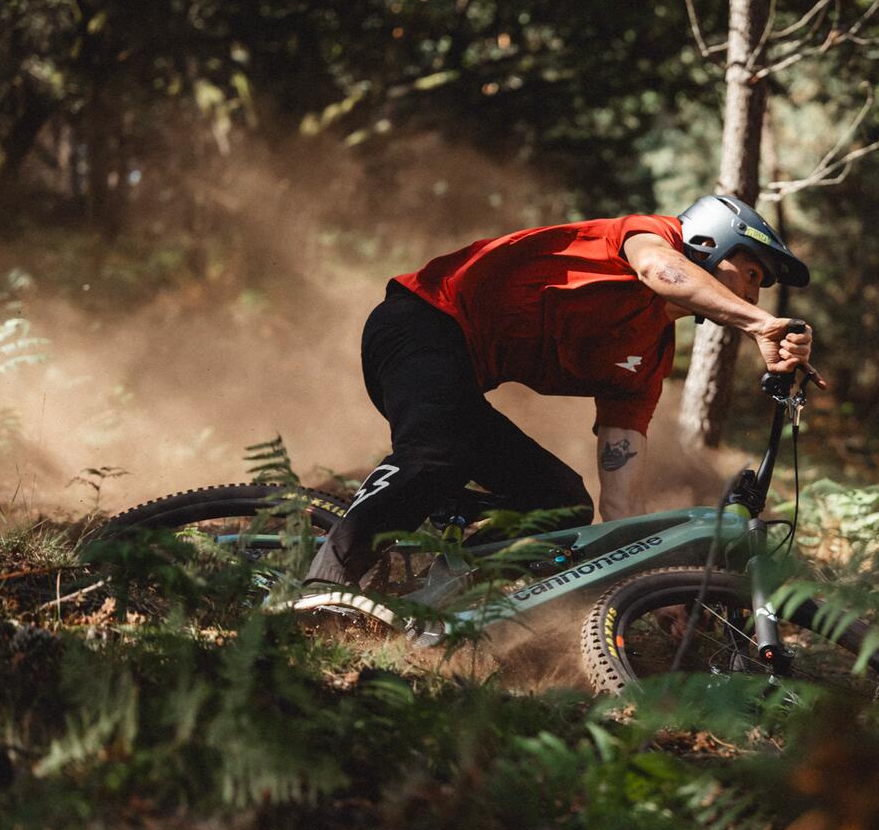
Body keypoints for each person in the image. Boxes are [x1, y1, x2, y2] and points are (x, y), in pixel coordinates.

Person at [303, 194, 823, 588]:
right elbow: (659, 270)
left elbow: (620, 497)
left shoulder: (648, 357)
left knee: (560, 503)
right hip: (420, 321)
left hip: (458, 379)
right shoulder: (646, 235)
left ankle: (442, 594)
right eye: (751, 273)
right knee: (438, 453)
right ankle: (323, 581)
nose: (755, 294)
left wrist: (648, 582)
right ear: (708, 241)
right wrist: (760, 324)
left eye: (760, 290)